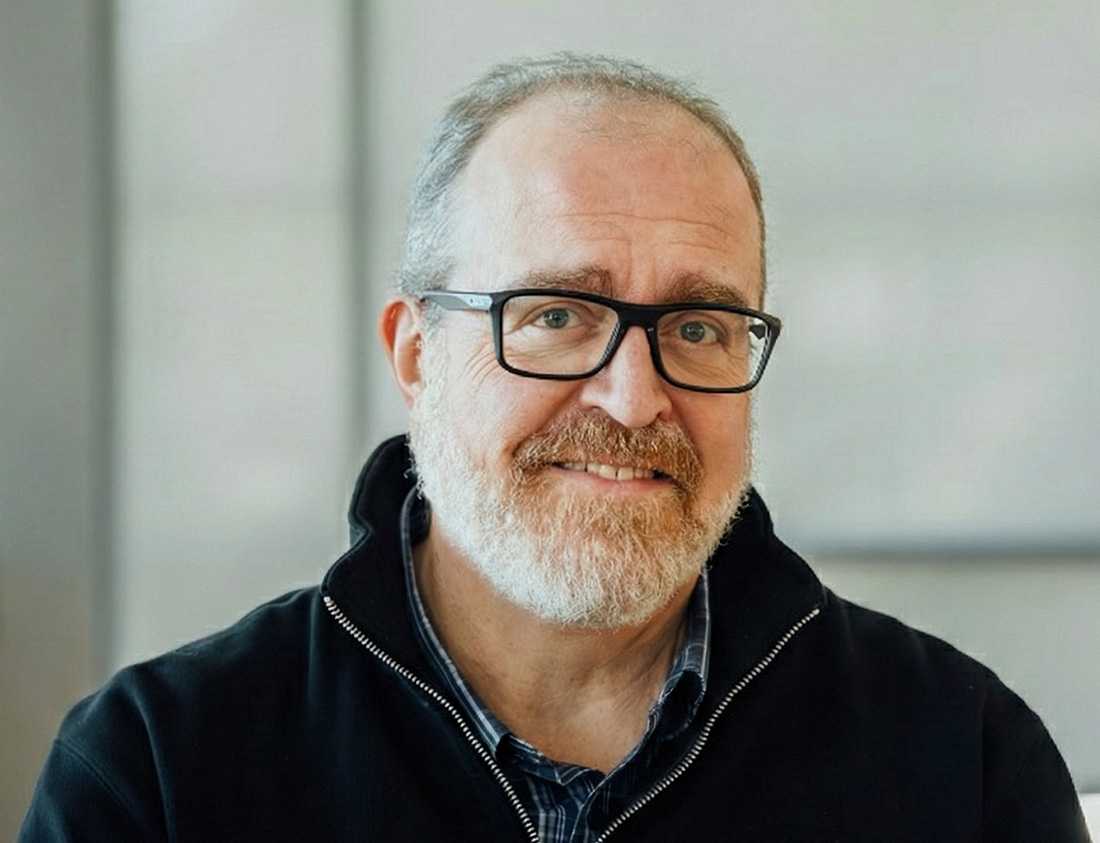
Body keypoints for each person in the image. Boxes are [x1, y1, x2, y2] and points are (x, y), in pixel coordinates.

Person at [19, 53, 1090, 843]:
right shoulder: (158, 776)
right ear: (414, 351)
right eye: (555, 316)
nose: (634, 401)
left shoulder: (961, 764)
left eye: (698, 328)